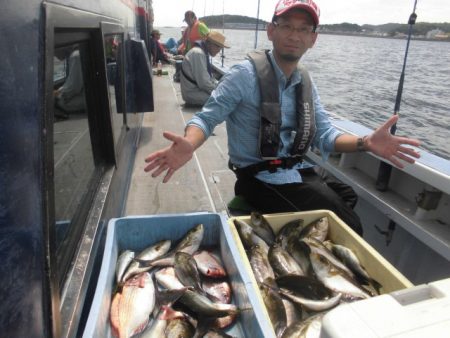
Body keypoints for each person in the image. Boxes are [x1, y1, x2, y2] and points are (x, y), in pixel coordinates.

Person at [143, 0, 421, 236]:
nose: (294, 35)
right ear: (271, 31)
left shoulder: (306, 83)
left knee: (347, 196)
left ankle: (294, 245)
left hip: (297, 170)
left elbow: (326, 134)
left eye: (303, 29)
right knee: (349, 225)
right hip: (259, 179)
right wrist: (190, 143)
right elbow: (207, 118)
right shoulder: (244, 75)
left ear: (313, 38)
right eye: (286, 26)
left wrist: (366, 141)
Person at [180, 31, 230, 107]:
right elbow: (204, 84)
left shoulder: (202, 53)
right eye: (218, 46)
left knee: (227, 96)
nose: (219, 50)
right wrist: (221, 92)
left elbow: (208, 79)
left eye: (221, 47)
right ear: (209, 43)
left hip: (196, 90)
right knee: (227, 100)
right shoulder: (198, 54)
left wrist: (221, 87)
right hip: (192, 94)